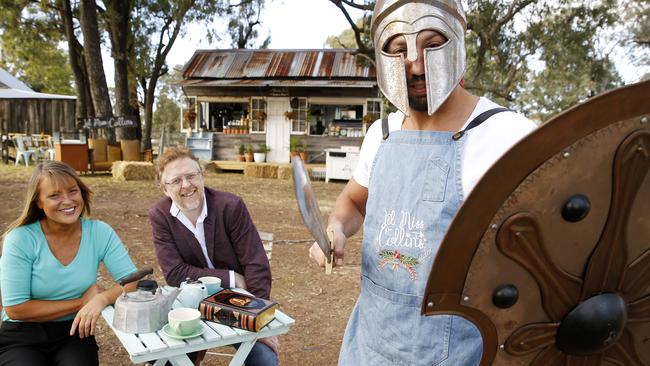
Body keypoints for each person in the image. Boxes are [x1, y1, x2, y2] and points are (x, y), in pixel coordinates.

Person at [308, 0, 538, 365]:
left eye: (432, 45)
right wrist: (336, 229)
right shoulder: (380, 135)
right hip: (369, 345)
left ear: (459, 41)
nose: (415, 64)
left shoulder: (507, 137)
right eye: (398, 50)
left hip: (456, 352)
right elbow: (352, 202)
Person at [0, 161, 138, 366]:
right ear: (38, 201)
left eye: (73, 191)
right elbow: (16, 309)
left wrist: (100, 300)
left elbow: (132, 282)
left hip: (74, 331)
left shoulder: (99, 232)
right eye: (54, 195)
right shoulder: (20, 239)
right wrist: (82, 303)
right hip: (22, 335)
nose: (67, 201)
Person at [149, 146, 278, 366]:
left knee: (264, 360)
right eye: (176, 180)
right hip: (191, 304)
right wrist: (231, 278)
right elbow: (174, 273)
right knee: (164, 360)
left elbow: (256, 263)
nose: (187, 185)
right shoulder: (160, 215)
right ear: (164, 188)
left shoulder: (230, 206)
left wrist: (259, 317)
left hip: (240, 301)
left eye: (191, 176)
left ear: (202, 176)